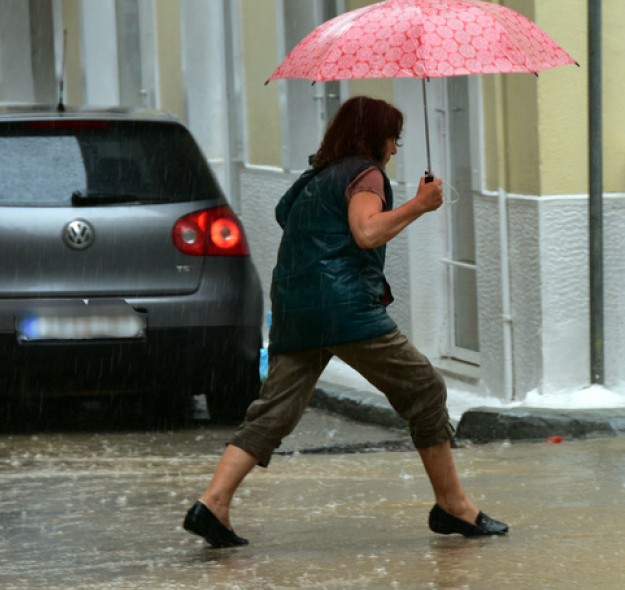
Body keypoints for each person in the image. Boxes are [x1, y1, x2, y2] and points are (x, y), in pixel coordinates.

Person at [183, 95, 508, 548]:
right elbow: (367, 231)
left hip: (298, 310)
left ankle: (212, 504)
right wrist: (420, 204)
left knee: (273, 411)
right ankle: (452, 505)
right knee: (425, 388)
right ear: (374, 135)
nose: (395, 148)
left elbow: (287, 217)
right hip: (346, 309)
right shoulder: (365, 173)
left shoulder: (313, 179)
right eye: (393, 137)